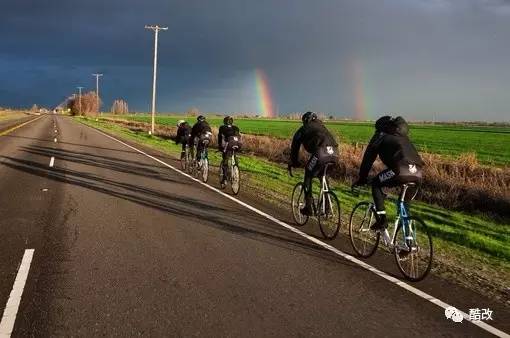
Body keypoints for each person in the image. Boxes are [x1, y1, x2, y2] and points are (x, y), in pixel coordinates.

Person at [353, 115, 424, 230]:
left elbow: (368, 159)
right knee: (404, 204)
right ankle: (409, 241)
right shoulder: (404, 138)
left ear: (381, 127)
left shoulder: (380, 136)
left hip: (400, 170)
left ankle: (382, 221)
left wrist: (362, 178)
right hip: (418, 172)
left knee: (376, 183)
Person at [289, 112, 339, 216]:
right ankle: (328, 207)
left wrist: (294, 162)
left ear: (305, 120)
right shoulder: (322, 127)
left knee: (308, 173)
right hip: (335, 153)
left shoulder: (303, 129)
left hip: (320, 153)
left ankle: (308, 207)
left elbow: (295, 147)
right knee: (322, 176)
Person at [218, 116, 241, 184]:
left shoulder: (222, 128)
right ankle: (235, 167)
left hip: (228, 145)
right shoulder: (236, 128)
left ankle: (225, 178)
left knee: (225, 160)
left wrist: (220, 147)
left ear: (224, 122)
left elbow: (220, 138)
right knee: (234, 155)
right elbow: (238, 136)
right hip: (237, 145)